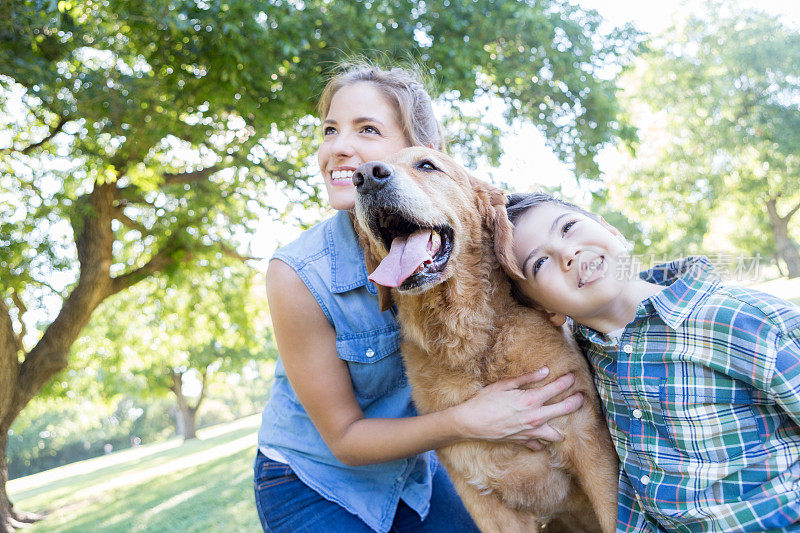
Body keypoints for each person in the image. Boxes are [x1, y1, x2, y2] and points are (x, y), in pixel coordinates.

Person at [254, 63, 585, 533]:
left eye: (367, 129)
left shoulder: (473, 225)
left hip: (421, 469)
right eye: (329, 130)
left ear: (425, 153)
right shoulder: (297, 274)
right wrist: (470, 420)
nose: (338, 147)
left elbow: (560, 283)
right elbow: (345, 439)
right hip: (316, 483)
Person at [502, 191, 800, 532]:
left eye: (568, 228)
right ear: (546, 311)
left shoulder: (741, 318)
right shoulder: (582, 365)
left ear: (611, 231)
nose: (567, 253)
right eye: (539, 263)